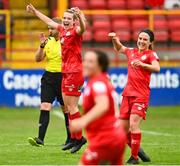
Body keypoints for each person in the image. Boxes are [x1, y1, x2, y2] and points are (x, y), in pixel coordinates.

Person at [26, 4, 87, 153]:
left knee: (72, 108)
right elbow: (48, 21)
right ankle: (74, 138)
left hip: (74, 72)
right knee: (68, 107)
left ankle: (79, 139)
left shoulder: (76, 31)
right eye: (64, 18)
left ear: (73, 22)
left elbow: (83, 28)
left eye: (69, 19)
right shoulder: (62, 30)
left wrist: (79, 16)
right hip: (65, 72)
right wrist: (35, 11)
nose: (65, 20)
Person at [109, 29, 160, 164]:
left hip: (141, 96)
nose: (141, 41)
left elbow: (157, 68)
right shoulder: (131, 51)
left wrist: (143, 64)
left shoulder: (151, 54)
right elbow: (119, 48)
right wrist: (115, 39)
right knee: (122, 130)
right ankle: (139, 152)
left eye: (145, 39)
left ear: (150, 42)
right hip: (127, 95)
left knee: (133, 125)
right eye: (140, 38)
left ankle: (134, 157)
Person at [70, 50, 126, 165]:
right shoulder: (101, 81)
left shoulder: (97, 83)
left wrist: (82, 122)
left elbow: (103, 105)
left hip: (106, 139)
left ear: (100, 65)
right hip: (116, 136)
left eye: (90, 61)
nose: (85, 64)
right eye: (84, 60)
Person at [28, 18, 70, 147]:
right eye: (48, 28)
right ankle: (40, 139)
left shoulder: (66, 41)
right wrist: (41, 46)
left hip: (63, 77)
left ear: (58, 28)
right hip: (48, 78)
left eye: (51, 28)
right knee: (45, 106)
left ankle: (71, 138)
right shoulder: (48, 42)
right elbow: (37, 59)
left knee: (66, 109)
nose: (49, 30)